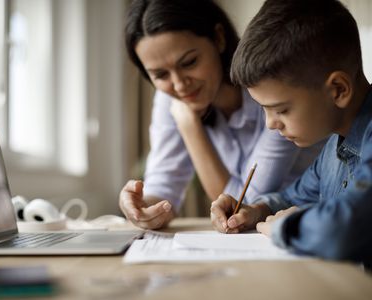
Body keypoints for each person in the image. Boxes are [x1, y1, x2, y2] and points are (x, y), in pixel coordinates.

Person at [119, 0, 322, 230]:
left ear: (219, 38)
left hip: (307, 225)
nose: (179, 85)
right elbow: (164, 187)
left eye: (189, 62)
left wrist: (189, 126)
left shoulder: (272, 92)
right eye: (160, 74)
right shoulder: (171, 97)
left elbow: (242, 205)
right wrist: (141, 207)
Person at [211, 0, 372, 264]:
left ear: (338, 90)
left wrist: (284, 227)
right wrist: (256, 210)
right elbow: (291, 197)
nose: (270, 124)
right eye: (263, 109)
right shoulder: (333, 147)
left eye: (281, 110)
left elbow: (346, 230)